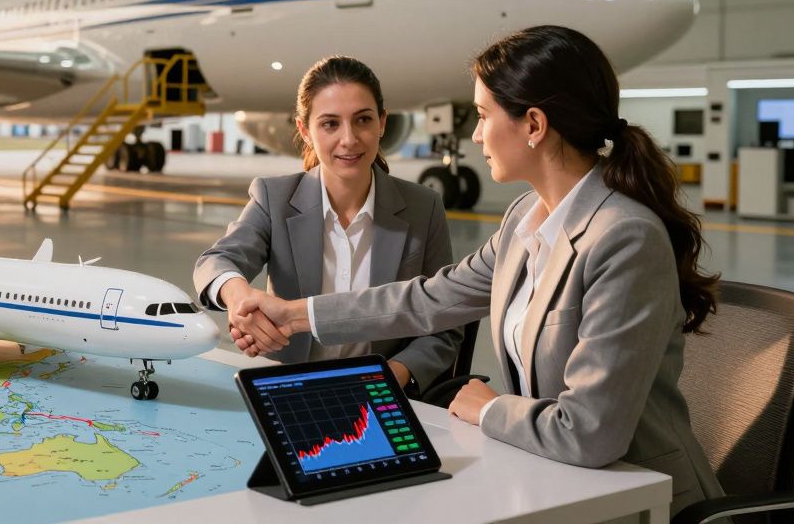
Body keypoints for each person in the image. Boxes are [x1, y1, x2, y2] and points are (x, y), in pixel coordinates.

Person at [230, 26, 723, 516]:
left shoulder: (623, 237)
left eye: (485, 115)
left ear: (533, 125)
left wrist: (488, 408)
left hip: (638, 497)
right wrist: (295, 315)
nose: (476, 133)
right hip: (553, 477)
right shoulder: (523, 220)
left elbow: (589, 432)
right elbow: (426, 299)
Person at [194, 55, 461, 396]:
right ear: (305, 130)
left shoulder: (424, 207)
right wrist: (238, 298)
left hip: (378, 394)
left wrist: (395, 373)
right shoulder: (273, 197)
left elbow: (445, 323)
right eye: (330, 124)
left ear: (382, 122)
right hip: (290, 387)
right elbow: (215, 261)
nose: (349, 139)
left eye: (363, 120)